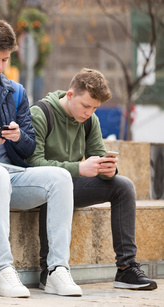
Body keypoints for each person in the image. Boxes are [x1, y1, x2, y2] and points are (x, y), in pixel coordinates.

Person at [0, 19, 82, 297]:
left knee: (60, 177)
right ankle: (1, 271)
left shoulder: (17, 92)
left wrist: (18, 136)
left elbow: (30, 148)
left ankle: (58, 269)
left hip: (12, 175)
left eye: (5, 59)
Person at [27, 68, 158, 291]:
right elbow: (32, 163)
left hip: (70, 184)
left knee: (123, 185)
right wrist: (78, 167)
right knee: (58, 183)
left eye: (95, 108)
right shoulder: (40, 113)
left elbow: (97, 154)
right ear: (69, 95)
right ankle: (48, 270)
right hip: (39, 185)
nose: (89, 112)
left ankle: (126, 269)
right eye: (86, 106)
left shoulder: (90, 120)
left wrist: (107, 170)